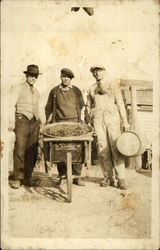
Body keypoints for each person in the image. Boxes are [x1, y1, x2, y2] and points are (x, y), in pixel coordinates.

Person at [86, 65, 130, 189]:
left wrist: (125, 121)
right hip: (98, 120)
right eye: (94, 72)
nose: (97, 73)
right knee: (102, 148)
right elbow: (88, 106)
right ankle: (108, 177)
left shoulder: (113, 85)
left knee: (115, 147)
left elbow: (120, 103)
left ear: (104, 72)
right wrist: (89, 123)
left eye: (99, 71)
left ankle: (121, 178)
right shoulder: (91, 89)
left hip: (112, 118)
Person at [45, 68, 85, 186]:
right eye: (63, 77)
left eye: (68, 77)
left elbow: (82, 107)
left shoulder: (76, 91)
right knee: (59, 149)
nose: (65, 79)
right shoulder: (55, 91)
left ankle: (77, 176)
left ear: (71, 79)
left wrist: (82, 122)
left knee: (78, 148)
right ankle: (63, 175)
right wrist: (48, 123)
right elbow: (48, 108)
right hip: (59, 124)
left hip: (75, 123)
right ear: (60, 77)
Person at [9, 65, 42, 189]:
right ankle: (18, 178)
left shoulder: (37, 92)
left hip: (34, 123)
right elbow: (11, 105)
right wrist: (11, 121)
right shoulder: (18, 88)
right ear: (26, 75)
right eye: (31, 75)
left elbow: (37, 110)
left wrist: (40, 122)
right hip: (21, 120)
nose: (33, 78)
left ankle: (28, 177)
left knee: (31, 150)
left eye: (36, 76)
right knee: (20, 149)